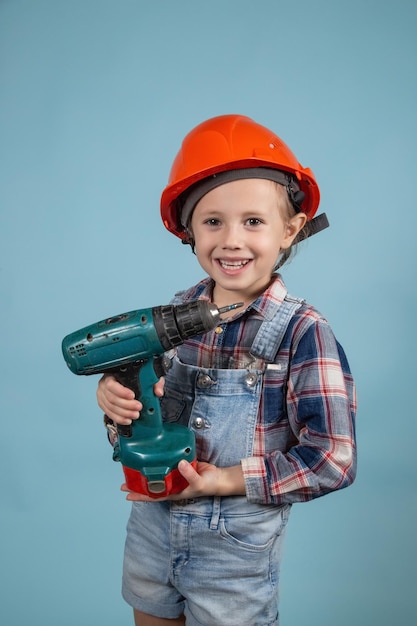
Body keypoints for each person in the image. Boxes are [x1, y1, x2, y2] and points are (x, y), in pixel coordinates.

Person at [96, 114, 357, 626]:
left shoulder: (303, 332)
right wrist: (116, 401)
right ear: (187, 230)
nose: (231, 240)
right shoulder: (171, 316)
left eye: (253, 221)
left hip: (233, 551)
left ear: (291, 229)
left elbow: (333, 458)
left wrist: (227, 481)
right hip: (152, 525)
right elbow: (145, 419)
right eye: (213, 221)